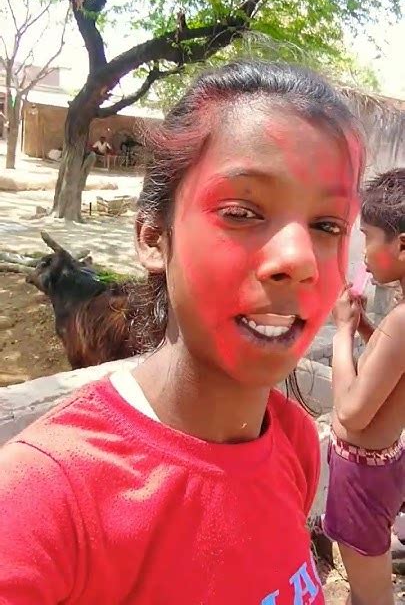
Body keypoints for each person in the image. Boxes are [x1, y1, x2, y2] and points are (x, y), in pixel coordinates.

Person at [0, 60, 364, 605]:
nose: (300, 259)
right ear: (153, 238)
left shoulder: (293, 442)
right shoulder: (44, 502)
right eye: (241, 212)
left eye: (328, 225)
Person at [324, 168, 405, 605]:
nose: (364, 252)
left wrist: (341, 332)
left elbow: (352, 412)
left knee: (371, 594)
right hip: (386, 465)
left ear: (402, 245)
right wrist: (366, 329)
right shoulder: (399, 320)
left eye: (368, 237)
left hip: (362, 475)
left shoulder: (403, 320)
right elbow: (393, 367)